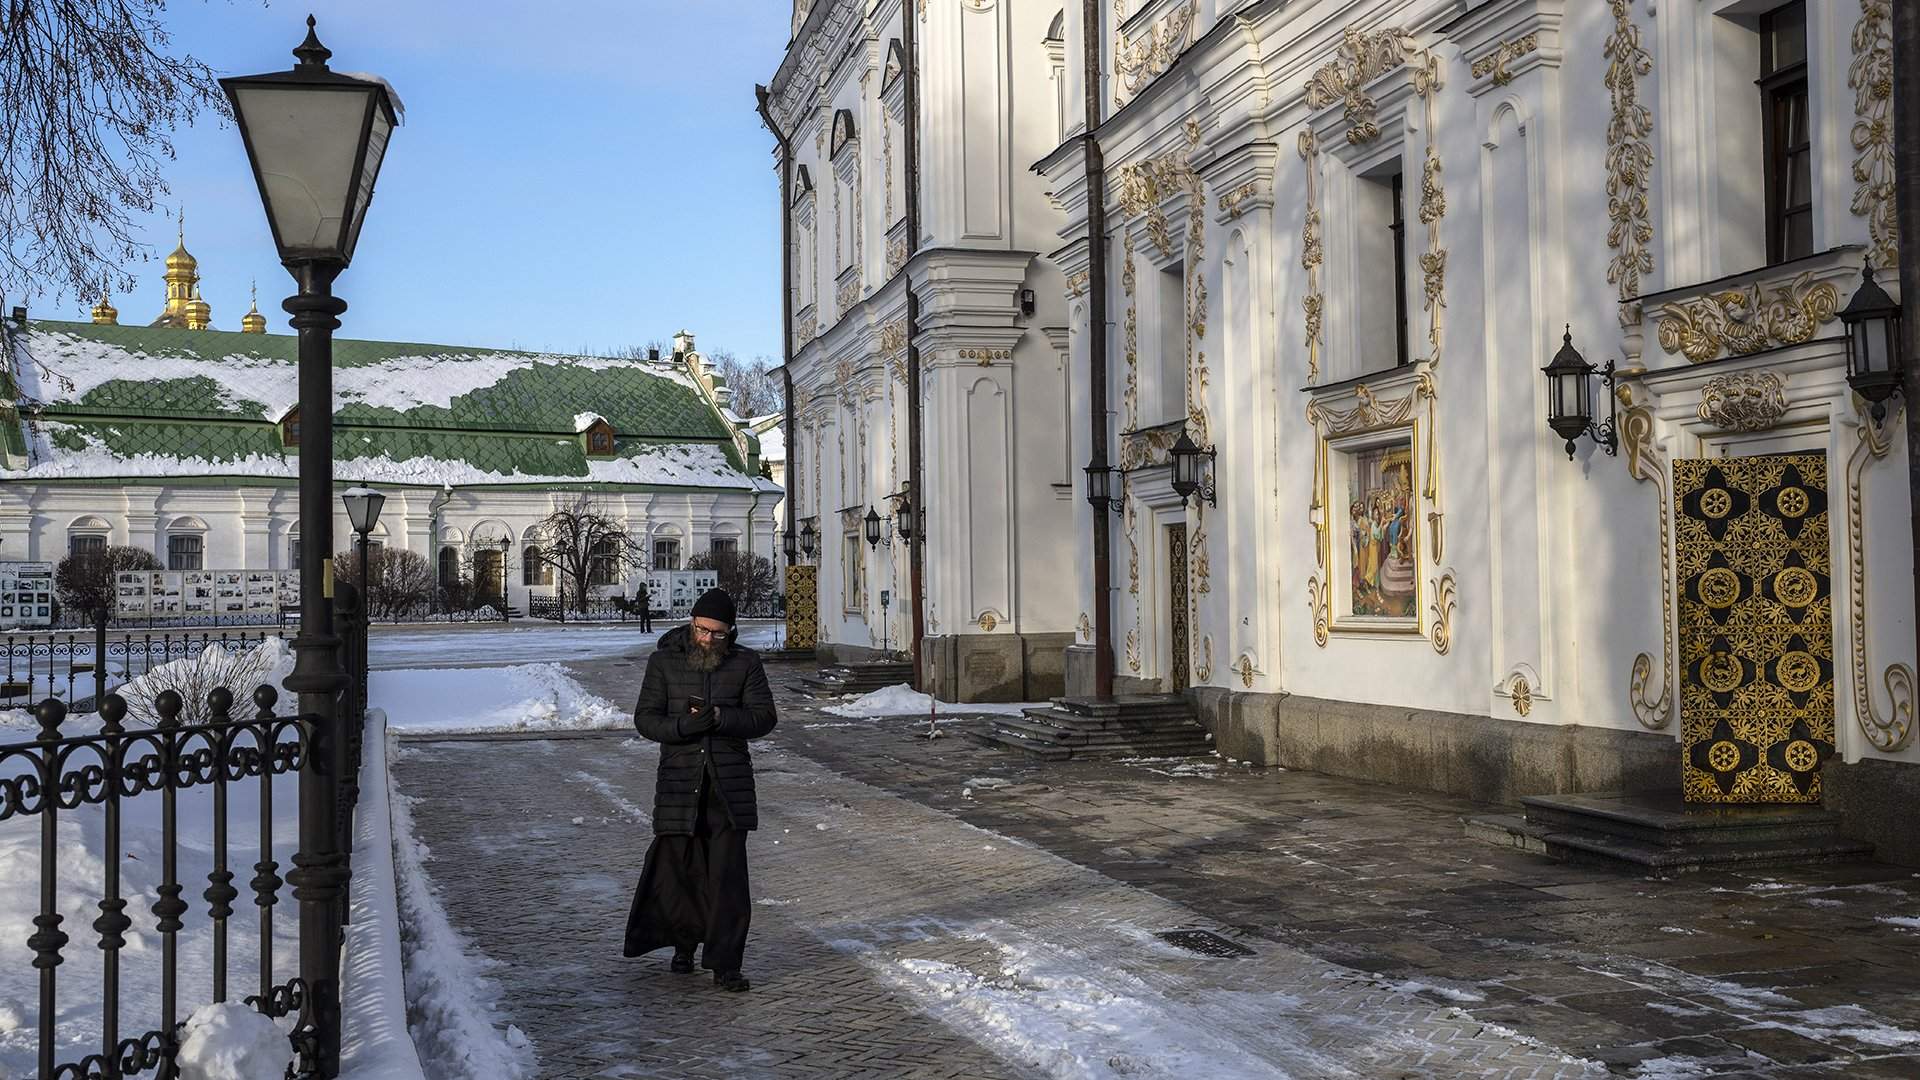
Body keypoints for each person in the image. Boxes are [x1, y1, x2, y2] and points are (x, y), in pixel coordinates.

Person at [624, 587, 776, 991]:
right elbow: (645, 718)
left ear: (731, 633)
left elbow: (764, 718)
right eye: (701, 630)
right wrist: (681, 728)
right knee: (680, 872)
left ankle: (726, 963)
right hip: (679, 784)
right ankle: (683, 947)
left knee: (726, 877)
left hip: (728, 787)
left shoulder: (746, 663)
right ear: (691, 624)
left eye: (717, 633)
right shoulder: (663, 662)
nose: (707, 639)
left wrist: (723, 718)